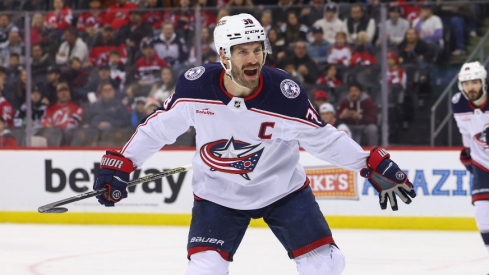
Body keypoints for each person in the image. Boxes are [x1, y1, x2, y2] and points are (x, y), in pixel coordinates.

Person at [91, 13, 416, 274]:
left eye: (257, 48)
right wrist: (124, 162)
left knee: (326, 265)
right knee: (204, 269)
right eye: (243, 50)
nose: (254, 57)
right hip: (218, 195)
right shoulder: (196, 88)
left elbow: (323, 139)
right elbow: (157, 129)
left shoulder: (284, 93)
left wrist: (367, 162)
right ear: (224, 55)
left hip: (284, 191)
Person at [452, 61, 489, 258]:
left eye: (474, 82)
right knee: (483, 218)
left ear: (484, 82)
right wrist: (467, 152)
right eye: (466, 83)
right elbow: (465, 131)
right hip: (482, 165)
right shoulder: (458, 103)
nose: (470, 87)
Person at [337, 82, 378, 146]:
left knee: (372, 128)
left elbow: (374, 119)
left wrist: (360, 117)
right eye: (351, 91)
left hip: (364, 126)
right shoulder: (344, 102)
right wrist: (342, 116)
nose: (353, 93)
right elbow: (335, 118)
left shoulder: (368, 101)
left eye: (356, 90)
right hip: (350, 126)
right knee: (341, 127)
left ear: (361, 92)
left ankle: (373, 149)